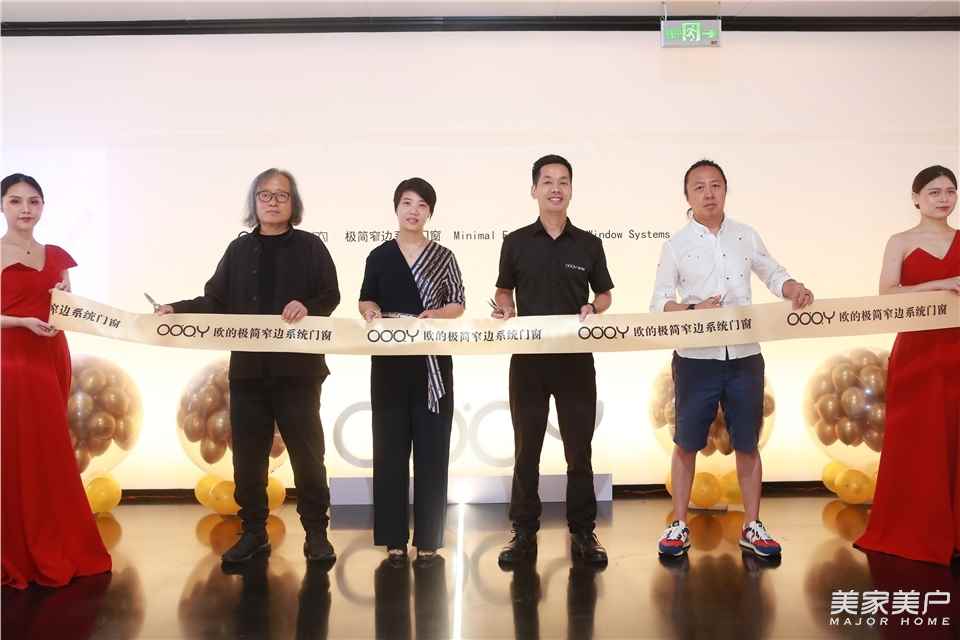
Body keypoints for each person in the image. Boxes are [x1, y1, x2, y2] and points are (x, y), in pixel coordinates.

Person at [158, 168, 340, 566]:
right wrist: (176, 309)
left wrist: (308, 306)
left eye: (281, 195)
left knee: (308, 457)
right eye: (265, 195)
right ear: (254, 202)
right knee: (248, 460)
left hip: (298, 373)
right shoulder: (238, 251)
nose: (273, 202)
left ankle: (316, 533)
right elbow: (215, 302)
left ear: (293, 203)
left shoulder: (310, 247)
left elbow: (331, 294)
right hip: (248, 373)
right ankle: (254, 532)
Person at [651, 159, 815, 559]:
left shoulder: (745, 235)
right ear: (687, 196)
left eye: (716, 185)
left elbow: (773, 273)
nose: (709, 193)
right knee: (686, 443)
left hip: (744, 355)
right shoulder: (675, 245)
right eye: (699, 187)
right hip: (696, 358)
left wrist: (793, 287)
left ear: (725, 190)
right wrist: (694, 310)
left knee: (747, 442)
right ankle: (678, 525)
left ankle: (752, 525)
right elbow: (659, 304)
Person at [492, 154, 614, 566]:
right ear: (534, 190)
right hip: (528, 361)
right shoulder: (515, 242)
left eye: (563, 181)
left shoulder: (589, 244)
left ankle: (583, 532)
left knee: (579, 450)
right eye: (547, 181)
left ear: (571, 190)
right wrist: (505, 306)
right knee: (526, 450)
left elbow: (604, 294)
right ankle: (523, 532)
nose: (555, 188)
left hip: (575, 361)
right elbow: (504, 290)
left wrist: (594, 308)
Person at [1, 172, 112, 588]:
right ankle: (17, 546)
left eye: (33, 201)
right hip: (11, 357)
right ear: (2, 206)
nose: (25, 209)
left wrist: (63, 303)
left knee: (49, 448)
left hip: (50, 354)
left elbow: (65, 311)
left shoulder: (57, 255)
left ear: (43, 206)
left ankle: (54, 539)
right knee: (18, 448)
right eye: (15, 201)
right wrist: (21, 322)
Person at [856, 165, 960, 565]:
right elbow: (887, 293)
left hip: (956, 350)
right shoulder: (900, 241)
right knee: (918, 438)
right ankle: (918, 530)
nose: (944, 198)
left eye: (950, 191)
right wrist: (938, 285)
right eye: (934, 192)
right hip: (918, 352)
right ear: (916, 198)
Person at [359, 178, 465, 564]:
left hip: (432, 362)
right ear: (396, 208)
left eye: (422, 205)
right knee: (389, 450)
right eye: (407, 203)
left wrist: (436, 314)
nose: (413, 211)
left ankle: (429, 538)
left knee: (433, 451)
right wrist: (371, 312)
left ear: (430, 212)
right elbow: (366, 298)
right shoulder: (379, 256)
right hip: (389, 361)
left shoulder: (444, 256)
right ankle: (393, 539)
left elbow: (458, 303)